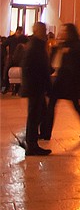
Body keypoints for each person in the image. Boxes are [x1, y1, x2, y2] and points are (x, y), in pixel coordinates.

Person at [41, 23, 80, 141]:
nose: (62, 33)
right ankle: (45, 132)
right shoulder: (62, 45)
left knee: (75, 105)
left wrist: (68, 52)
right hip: (62, 80)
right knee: (53, 104)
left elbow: (78, 62)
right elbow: (55, 61)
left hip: (72, 81)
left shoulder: (77, 46)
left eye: (64, 31)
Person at [17, 22, 51, 156]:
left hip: (36, 86)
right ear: (37, 31)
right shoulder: (36, 46)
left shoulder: (36, 44)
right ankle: (31, 144)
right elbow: (35, 67)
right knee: (35, 115)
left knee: (40, 113)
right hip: (35, 86)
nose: (45, 32)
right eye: (43, 30)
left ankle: (31, 140)